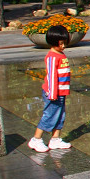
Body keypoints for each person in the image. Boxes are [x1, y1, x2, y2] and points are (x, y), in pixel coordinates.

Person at [28, 24, 72, 153]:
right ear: (53, 42)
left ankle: (55, 139)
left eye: (65, 43)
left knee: (60, 115)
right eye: (61, 43)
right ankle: (36, 139)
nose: (63, 46)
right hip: (53, 93)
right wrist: (52, 94)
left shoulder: (60, 54)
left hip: (61, 92)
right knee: (50, 115)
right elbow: (52, 76)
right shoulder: (52, 57)